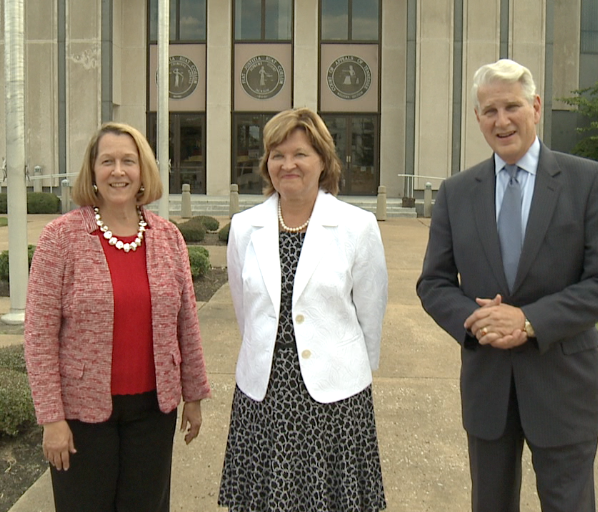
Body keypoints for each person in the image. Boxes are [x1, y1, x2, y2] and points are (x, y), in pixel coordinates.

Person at [416, 59, 598, 511]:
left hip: (563, 386)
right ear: (477, 117)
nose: (502, 121)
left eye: (512, 106)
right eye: (490, 111)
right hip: (488, 387)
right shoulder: (456, 192)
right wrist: (477, 322)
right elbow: (433, 283)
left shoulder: (589, 181)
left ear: (535, 107)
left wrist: (529, 320)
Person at [24, 122, 211, 512]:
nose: (118, 171)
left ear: (143, 171)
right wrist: (51, 419)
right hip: (82, 414)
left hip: (154, 412)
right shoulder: (60, 238)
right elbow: (39, 336)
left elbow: (187, 325)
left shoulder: (168, 237)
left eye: (129, 161)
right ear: (92, 171)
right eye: (107, 161)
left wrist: (193, 395)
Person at [219, 108, 388, 512]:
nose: (287, 164)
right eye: (277, 155)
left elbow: (371, 310)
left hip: (336, 395)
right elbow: (246, 310)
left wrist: (354, 368)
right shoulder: (244, 227)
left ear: (324, 161)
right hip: (264, 392)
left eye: (300, 154)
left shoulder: (357, 226)